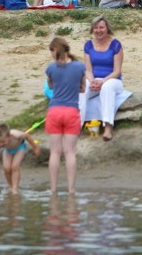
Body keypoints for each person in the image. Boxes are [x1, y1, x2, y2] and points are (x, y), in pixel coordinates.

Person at [45, 37, 86, 194]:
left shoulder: (51, 68)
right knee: (70, 152)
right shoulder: (79, 67)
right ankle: (71, 189)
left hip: (55, 111)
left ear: (54, 50)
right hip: (71, 111)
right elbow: (82, 89)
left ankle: (53, 189)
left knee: (55, 152)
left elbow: (50, 86)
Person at [82, 16, 124, 141]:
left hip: (112, 79)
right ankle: (76, 124)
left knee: (107, 87)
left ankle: (108, 126)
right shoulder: (88, 45)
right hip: (94, 79)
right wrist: (92, 81)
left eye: (101, 27)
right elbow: (88, 70)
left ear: (107, 29)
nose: (98, 30)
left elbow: (117, 71)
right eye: (96, 27)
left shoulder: (115, 45)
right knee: (81, 88)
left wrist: (103, 81)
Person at [0, 123, 40, 195]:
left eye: (3, 142)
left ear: (9, 136)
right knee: (6, 168)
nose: (0, 144)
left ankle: (15, 188)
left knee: (15, 166)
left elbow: (27, 136)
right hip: (8, 150)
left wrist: (35, 147)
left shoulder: (15, 134)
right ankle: (11, 186)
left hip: (20, 148)